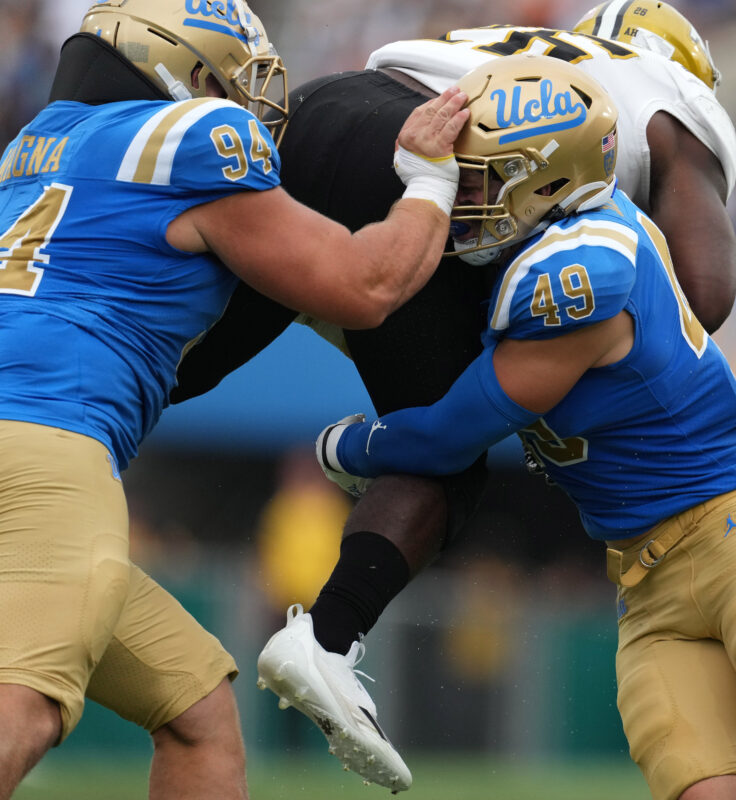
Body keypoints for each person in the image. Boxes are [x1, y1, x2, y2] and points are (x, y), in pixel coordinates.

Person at [300, 53, 736, 800]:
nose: (463, 192)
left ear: (546, 179)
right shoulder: (543, 245)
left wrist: (343, 446)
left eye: (480, 176)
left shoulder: (579, 273)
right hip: (647, 581)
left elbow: (446, 436)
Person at [169, 3, 736, 789]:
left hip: (321, 114)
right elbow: (706, 293)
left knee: (165, 368)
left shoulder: (528, 48)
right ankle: (328, 639)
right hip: (425, 168)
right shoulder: (673, 100)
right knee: (447, 447)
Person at [0, 0, 467, 796]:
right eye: (231, 82)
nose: (251, 105)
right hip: (45, 441)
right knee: (27, 708)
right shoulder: (191, 142)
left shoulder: (34, 149)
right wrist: (429, 178)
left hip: (27, 434)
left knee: (194, 707)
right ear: (180, 72)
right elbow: (367, 282)